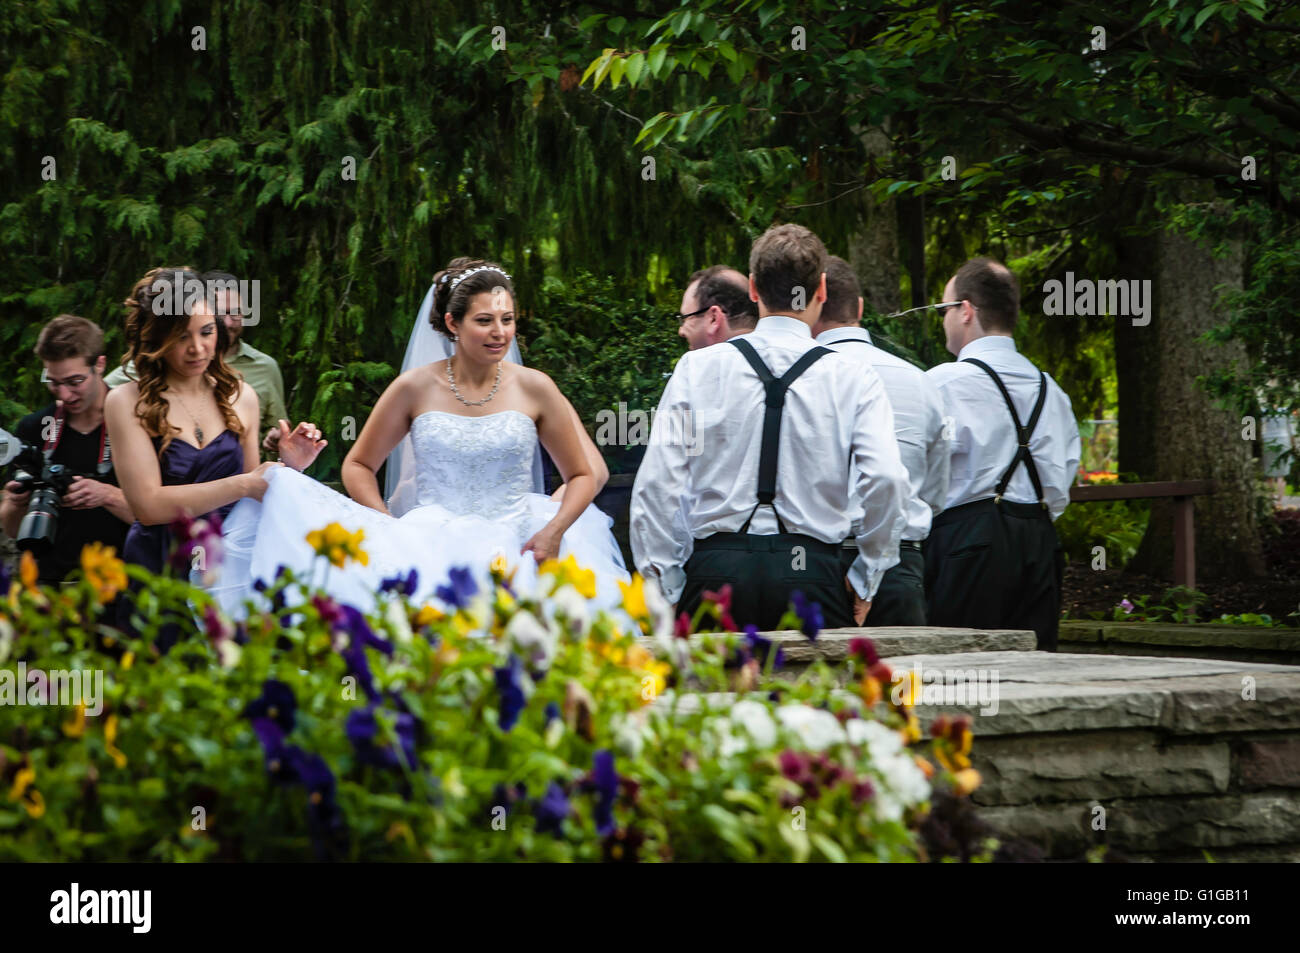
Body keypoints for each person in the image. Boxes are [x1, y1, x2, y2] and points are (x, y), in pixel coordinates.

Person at [212, 258, 628, 618]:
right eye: (484, 320)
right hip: (432, 545)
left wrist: (555, 530)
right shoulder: (413, 388)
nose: (500, 331)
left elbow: (583, 474)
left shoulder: (536, 387)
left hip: (521, 544)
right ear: (452, 323)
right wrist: (385, 526)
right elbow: (358, 465)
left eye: (508, 319)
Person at [631, 224, 908, 630]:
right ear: (822, 290)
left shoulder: (697, 368)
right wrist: (867, 576)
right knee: (820, 696)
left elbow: (656, 486)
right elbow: (885, 478)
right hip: (811, 576)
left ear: (755, 289)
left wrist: (665, 585)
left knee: (707, 694)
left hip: (716, 574)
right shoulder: (854, 376)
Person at [104, 267, 324, 640]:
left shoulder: (243, 397)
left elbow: (253, 509)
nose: (197, 348)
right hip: (160, 566)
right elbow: (149, 505)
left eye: (206, 332)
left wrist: (289, 467)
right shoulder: (126, 401)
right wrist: (243, 484)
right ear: (156, 337)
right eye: (180, 336)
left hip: (226, 570)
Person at [924, 258, 1081, 650]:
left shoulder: (943, 383)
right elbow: (1063, 480)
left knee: (957, 669)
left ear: (965, 311)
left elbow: (916, 473)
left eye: (943, 310)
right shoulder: (1052, 390)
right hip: (1040, 542)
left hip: (967, 544)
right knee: (1035, 664)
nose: (941, 319)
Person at [814, 257, 949, 626]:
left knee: (813, 682)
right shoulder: (922, 381)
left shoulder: (802, 377)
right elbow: (936, 493)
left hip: (817, 564)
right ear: (858, 307)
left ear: (811, 304)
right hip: (901, 566)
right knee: (904, 684)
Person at [1, 316, 134, 584]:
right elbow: (12, 529)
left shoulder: (137, 422)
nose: (63, 395)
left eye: (74, 381)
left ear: (100, 364)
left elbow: (162, 517)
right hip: (50, 591)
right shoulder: (35, 427)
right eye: (52, 382)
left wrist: (108, 496)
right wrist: (15, 505)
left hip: (123, 589)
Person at [107, 270, 289, 455]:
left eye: (234, 313)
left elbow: (272, 434)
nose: (226, 322)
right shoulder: (137, 382)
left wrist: (285, 454)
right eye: (182, 336)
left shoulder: (259, 374)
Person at [676, 265, 759, 350]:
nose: (681, 331)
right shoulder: (771, 352)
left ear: (714, 318)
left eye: (685, 318)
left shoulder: (694, 361)